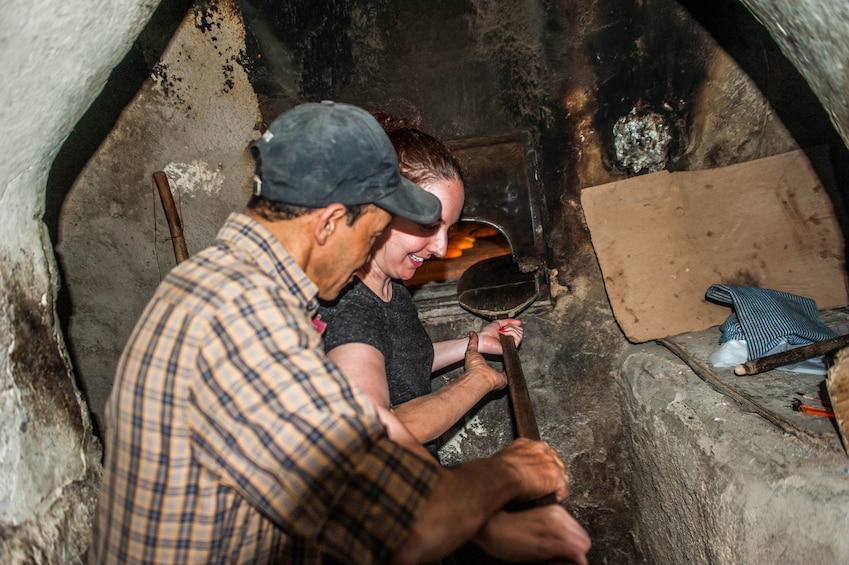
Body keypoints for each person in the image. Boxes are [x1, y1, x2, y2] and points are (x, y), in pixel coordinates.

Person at [89, 100, 587, 565]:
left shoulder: (233, 286)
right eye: (371, 236)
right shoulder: (244, 319)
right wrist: (511, 472)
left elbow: (367, 435)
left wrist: (489, 527)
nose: (363, 264)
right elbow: (412, 525)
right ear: (329, 222)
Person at [319, 112, 591, 562]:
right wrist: (477, 383)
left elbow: (397, 365)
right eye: (429, 225)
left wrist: (474, 343)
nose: (443, 248)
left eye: (449, 227)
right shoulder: (344, 304)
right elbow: (377, 438)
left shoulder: (390, 287)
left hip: (416, 487)